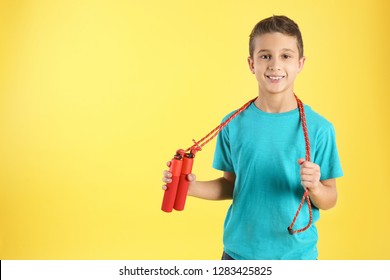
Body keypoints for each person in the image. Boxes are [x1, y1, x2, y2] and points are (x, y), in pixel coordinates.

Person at [162, 15, 343, 260]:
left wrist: (316, 187)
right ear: (251, 64)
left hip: (296, 258)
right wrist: (190, 187)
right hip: (239, 255)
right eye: (265, 56)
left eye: (286, 56)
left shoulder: (320, 128)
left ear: (300, 63)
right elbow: (231, 185)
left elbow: (330, 198)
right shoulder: (233, 123)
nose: (275, 65)